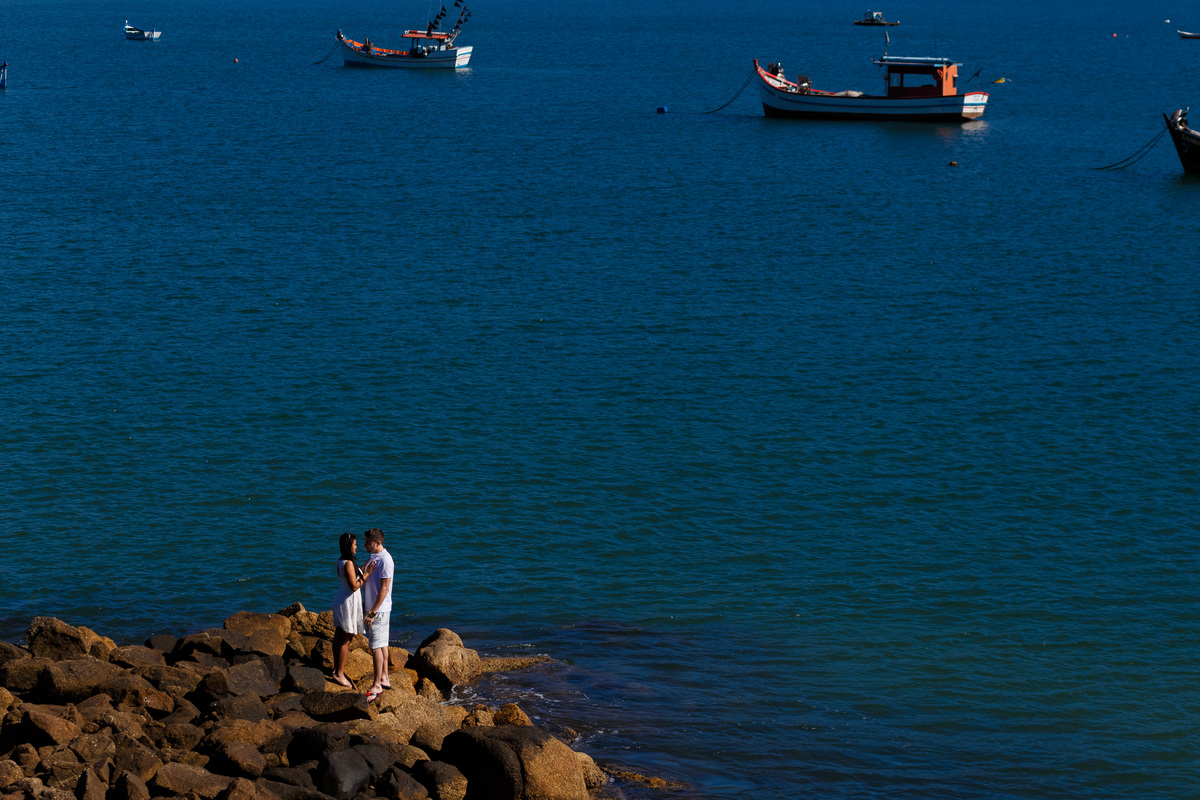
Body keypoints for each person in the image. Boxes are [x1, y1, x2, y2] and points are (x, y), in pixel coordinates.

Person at [331, 533, 376, 687]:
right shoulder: (348, 563)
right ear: (349, 546)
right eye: (355, 544)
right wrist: (368, 573)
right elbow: (355, 586)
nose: (357, 547)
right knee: (345, 639)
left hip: (342, 598)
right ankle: (339, 673)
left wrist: (364, 566)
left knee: (339, 636)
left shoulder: (341, 561)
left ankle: (337, 669)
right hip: (348, 601)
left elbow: (353, 575)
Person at [361, 528, 394, 700]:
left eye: (368, 542)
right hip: (378, 608)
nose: (364, 545)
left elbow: (385, 588)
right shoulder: (375, 557)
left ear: (378, 543)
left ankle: (376, 686)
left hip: (378, 610)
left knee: (375, 647)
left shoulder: (385, 560)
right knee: (382, 645)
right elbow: (360, 573)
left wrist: (372, 612)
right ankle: (384, 678)